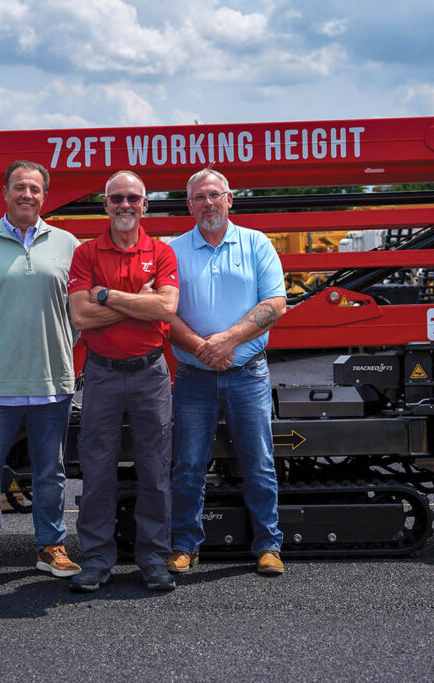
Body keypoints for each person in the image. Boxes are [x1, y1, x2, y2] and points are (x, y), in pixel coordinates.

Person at [0, 160, 82, 583]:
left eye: (35, 188)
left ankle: (51, 547)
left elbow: (77, 316)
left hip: (52, 382)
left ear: (45, 195)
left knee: (51, 472)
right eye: (19, 187)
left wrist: (58, 350)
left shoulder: (67, 244)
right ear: (4, 192)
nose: (27, 194)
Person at [166, 168, 288, 575]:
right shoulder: (174, 250)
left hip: (247, 374)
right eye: (199, 198)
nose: (207, 203)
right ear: (189, 205)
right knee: (187, 465)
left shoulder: (256, 244)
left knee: (259, 463)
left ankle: (268, 546)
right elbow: (164, 313)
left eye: (214, 195)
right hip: (194, 377)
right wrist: (204, 348)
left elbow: (275, 303)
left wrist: (228, 341)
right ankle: (185, 545)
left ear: (229, 198)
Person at [67, 170, 180, 593]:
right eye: (117, 198)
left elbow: (166, 309)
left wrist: (105, 294)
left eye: (134, 198)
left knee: (155, 469)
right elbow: (81, 316)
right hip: (102, 374)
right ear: (106, 204)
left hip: (151, 374)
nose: (125, 205)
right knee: (97, 470)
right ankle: (96, 559)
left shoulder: (162, 252)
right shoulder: (86, 253)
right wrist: (141, 303)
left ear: (145, 204)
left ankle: (153, 558)